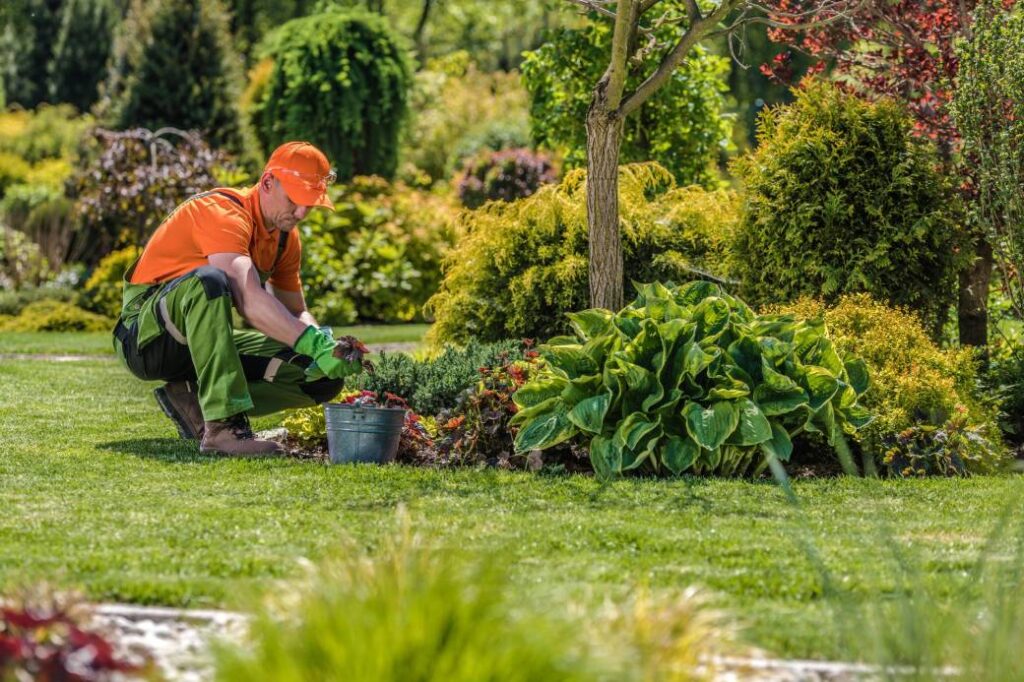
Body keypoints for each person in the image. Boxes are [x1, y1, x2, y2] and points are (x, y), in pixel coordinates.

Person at [112, 141, 367, 456]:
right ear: (267, 182)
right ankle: (222, 427)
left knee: (319, 379)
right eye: (295, 200)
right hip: (145, 339)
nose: (301, 212)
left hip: (201, 341)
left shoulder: (286, 238)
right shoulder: (223, 213)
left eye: (310, 204)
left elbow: (295, 313)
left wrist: (327, 348)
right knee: (210, 281)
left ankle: (191, 399)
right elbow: (248, 299)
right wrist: (313, 343)